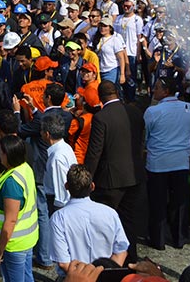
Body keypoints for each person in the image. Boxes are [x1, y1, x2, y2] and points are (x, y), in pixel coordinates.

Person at [83, 80, 137, 260]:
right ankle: (131, 258)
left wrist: (87, 177)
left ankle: (109, 262)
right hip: (133, 176)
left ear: (100, 96)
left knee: (106, 224)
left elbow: (94, 152)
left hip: (110, 181)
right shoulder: (134, 112)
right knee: (129, 222)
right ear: (116, 92)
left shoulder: (101, 117)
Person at [144, 77, 190, 249]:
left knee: (157, 203)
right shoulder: (189, 109)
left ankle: (157, 240)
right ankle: (179, 238)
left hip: (158, 163)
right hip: (180, 161)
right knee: (179, 202)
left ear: (166, 91)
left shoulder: (153, 111)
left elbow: (145, 136)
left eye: (157, 87)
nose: (154, 90)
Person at [50, 164, 129, 273]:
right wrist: (107, 275)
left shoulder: (58, 218)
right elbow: (121, 251)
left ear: (66, 186)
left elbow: (63, 263)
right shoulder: (110, 213)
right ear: (92, 186)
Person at [0, 134, 39, 282]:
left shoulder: (12, 184)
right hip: (27, 239)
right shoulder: (24, 168)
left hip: (13, 244)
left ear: (8, 155)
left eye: (0, 152)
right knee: (27, 276)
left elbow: (10, 221)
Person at [43, 110, 78, 211]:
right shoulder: (65, 147)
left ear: (47, 134)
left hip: (58, 206)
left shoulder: (57, 158)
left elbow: (62, 196)